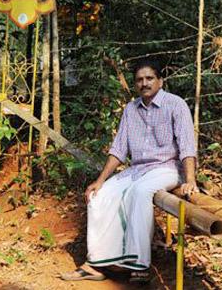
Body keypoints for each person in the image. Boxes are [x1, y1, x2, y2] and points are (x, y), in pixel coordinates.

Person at [61, 59, 197, 283]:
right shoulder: (131, 109)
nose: (144, 83)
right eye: (140, 80)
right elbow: (119, 149)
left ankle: (139, 266)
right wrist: (100, 180)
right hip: (137, 169)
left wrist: (190, 179)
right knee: (98, 196)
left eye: (149, 78)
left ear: (160, 81)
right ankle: (97, 263)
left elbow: (187, 146)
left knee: (140, 192)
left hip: (167, 168)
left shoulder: (176, 105)